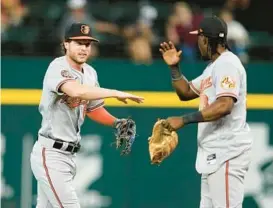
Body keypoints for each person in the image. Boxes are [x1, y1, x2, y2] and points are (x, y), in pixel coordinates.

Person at [30, 22, 144, 208]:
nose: (84, 48)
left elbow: (93, 108)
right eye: (78, 43)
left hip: (69, 156)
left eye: (87, 44)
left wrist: (116, 123)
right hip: (51, 154)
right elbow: (77, 92)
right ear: (66, 44)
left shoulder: (90, 73)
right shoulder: (57, 67)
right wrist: (115, 92)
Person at [159, 16, 252, 208]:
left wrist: (183, 120)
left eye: (199, 38)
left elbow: (225, 105)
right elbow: (185, 92)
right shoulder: (213, 68)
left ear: (206, 39)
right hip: (214, 153)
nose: (197, 43)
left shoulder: (228, 64)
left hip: (227, 152)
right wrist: (174, 68)